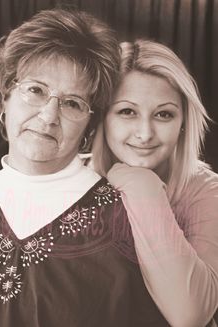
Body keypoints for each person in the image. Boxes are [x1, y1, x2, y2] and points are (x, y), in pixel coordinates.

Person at [0, 9, 177, 327]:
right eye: (35, 90)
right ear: (4, 96)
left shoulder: (128, 217)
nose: (48, 116)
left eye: (72, 102)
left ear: (90, 125)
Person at [92, 39, 218, 327]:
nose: (145, 133)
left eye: (163, 114)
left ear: (183, 121)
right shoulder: (76, 182)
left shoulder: (207, 191)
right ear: (103, 117)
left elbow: (190, 315)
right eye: (127, 111)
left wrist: (140, 184)